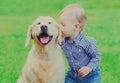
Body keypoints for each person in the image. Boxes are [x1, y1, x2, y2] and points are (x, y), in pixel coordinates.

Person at [58, 4, 101, 83]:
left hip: (90, 76)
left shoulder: (87, 42)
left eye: (63, 25)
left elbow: (97, 56)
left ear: (76, 27)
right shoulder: (63, 40)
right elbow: (54, 47)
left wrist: (89, 67)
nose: (59, 27)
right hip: (73, 75)